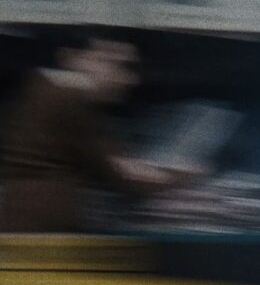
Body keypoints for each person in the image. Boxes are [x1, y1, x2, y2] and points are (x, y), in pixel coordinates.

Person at [0, 33, 196, 232]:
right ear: (70, 58)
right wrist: (186, 176)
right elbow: (123, 175)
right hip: (41, 230)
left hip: (25, 223)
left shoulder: (40, 88)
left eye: (129, 68)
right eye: (110, 62)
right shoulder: (69, 99)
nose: (127, 78)